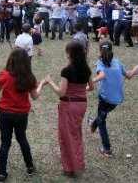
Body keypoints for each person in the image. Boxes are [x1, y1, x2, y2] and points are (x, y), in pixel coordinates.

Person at [0, 48, 48, 182]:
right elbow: (35, 96)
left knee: (5, 143)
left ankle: (2, 173)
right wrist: (42, 85)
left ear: (11, 60)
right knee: (22, 139)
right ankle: (30, 166)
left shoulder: (4, 74)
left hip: (4, 114)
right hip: (21, 115)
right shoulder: (29, 77)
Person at [45, 41, 94, 177]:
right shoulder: (87, 69)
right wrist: (79, 91)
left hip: (69, 106)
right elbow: (91, 87)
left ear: (70, 54)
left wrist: (50, 82)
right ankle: (78, 162)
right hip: (81, 105)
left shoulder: (67, 71)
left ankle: (70, 167)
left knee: (66, 136)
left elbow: (61, 92)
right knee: (76, 133)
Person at [87, 41, 128, 157]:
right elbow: (128, 75)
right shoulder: (117, 62)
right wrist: (137, 68)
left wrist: (88, 85)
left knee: (102, 120)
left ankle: (107, 149)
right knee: (102, 115)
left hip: (105, 99)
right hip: (117, 99)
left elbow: (102, 76)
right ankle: (92, 125)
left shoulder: (101, 62)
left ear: (100, 50)